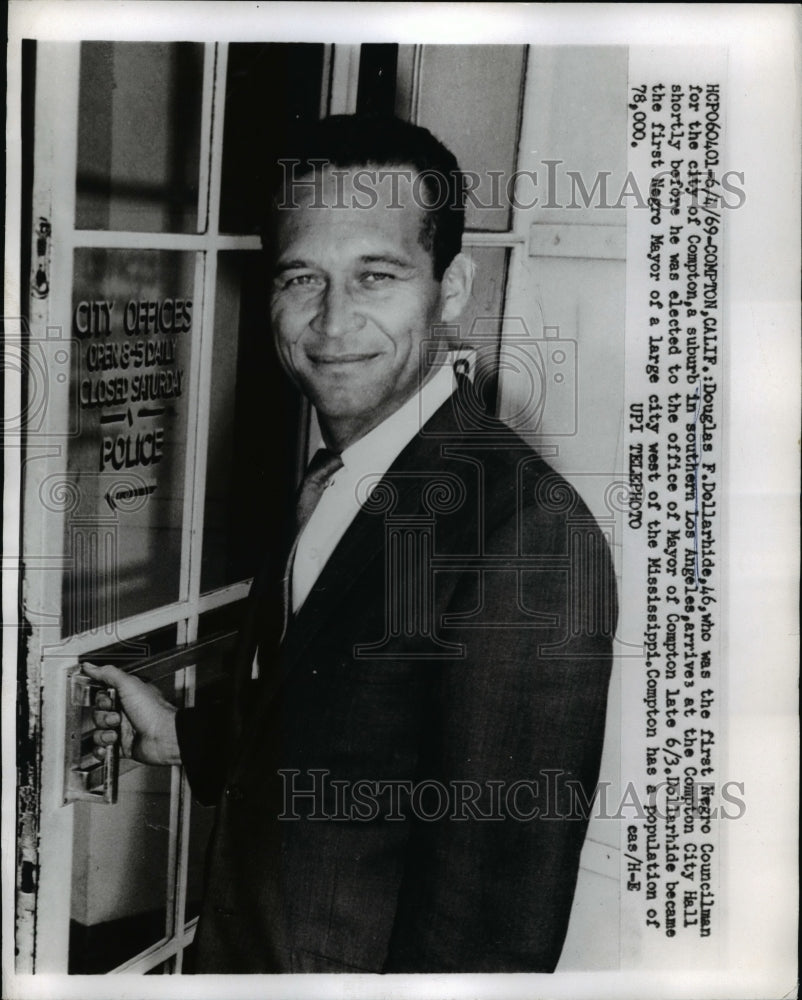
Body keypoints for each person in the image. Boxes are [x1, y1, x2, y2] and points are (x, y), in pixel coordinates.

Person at [86, 114, 617, 974]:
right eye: (303, 277)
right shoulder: (342, 471)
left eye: (377, 276)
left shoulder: (524, 534)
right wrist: (185, 738)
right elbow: (344, 718)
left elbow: (493, 924)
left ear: (452, 289)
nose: (332, 325)